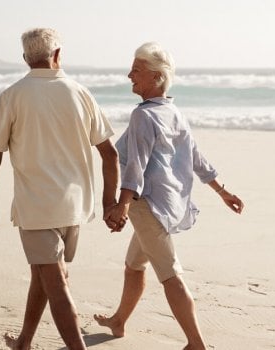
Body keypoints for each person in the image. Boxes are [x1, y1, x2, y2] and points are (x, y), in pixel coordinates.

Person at [0, 28, 122, 350]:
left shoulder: (12, 95)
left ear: (26, 59)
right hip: (74, 207)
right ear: (57, 55)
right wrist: (110, 202)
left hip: (37, 208)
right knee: (44, 275)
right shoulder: (81, 92)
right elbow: (109, 154)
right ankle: (24, 342)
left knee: (55, 283)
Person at [94, 42, 244, 350]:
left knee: (170, 273)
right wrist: (222, 191)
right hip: (164, 202)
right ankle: (119, 321)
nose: (129, 75)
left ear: (157, 77)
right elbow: (196, 158)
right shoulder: (174, 112)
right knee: (134, 264)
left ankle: (196, 342)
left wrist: (121, 206)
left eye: (136, 70)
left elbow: (136, 168)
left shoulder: (143, 117)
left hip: (146, 205)